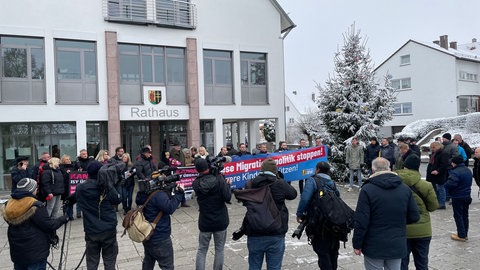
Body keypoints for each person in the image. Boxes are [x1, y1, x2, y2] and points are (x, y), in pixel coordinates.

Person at [352, 157, 420, 270]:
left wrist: (357, 244)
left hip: (373, 244)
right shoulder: (404, 189)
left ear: (373, 170)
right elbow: (414, 216)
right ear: (389, 168)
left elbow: (361, 221)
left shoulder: (367, 189)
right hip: (397, 242)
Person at [3, 178, 68, 270]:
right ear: (31, 190)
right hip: (35, 251)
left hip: (17, 251)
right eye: (35, 187)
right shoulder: (35, 205)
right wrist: (63, 219)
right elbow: (49, 225)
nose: (37, 189)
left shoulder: (8, 204)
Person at [244, 158, 297, 270]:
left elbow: (245, 202)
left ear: (261, 169)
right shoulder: (280, 183)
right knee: (274, 267)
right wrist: (280, 179)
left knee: (254, 266)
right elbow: (293, 194)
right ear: (275, 171)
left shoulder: (250, 183)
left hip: (255, 230)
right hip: (275, 230)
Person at [76, 161, 121, 270]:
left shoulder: (81, 188)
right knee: (109, 259)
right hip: (107, 228)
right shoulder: (106, 186)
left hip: (91, 229)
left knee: (92, 260)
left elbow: (78, 200)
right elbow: (117, 200)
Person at [396, 154, 438, 270]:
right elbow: (433, 207)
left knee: (402, 264)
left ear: (404, 166)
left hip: (402, 229)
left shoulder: (395, 184)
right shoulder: (426, 185)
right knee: (422, 263)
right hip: (423, 231)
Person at [296, 161, 340, 269]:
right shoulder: (332, 183)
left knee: (322, 250)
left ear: (317, 170)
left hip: (318, 221)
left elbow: (305, 198)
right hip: (332, 221)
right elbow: (338, 198)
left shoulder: (312, 180)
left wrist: (300, 213)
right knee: (333, 251)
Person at [136, 179, 185, 269]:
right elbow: (170, 208)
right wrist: (179, 193)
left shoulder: (143, 194)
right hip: (160, 237)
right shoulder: (158, 195)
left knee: (148, 262)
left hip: (147, 234)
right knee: (167, 266)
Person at [192, 158, 232, 270]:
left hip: (205, 220)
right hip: (220, 220)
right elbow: (227, 197)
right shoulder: (219, 180)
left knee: (202, 249)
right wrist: (227, 185)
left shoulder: (196, 183)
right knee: (219, 249)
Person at [445, 156, 472, 242]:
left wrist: (447, 188)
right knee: (465, 215)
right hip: (467, 195)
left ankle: (461, 235)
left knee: (458, 215)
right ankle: (465, 233)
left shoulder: (455, 172)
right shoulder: (468, 170)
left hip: (458, 196)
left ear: (454, 163)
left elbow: (451, 184)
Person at [426, 141, 450, 209]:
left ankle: (441, 203)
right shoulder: (434, 154)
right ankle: (437, 202)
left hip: (439, 175)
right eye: (431, 147)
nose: (432, 149)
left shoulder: (443, 154)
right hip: (432, 174)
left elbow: (444, 164)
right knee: (435, 189)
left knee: (440, 189)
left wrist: (438, 171)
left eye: (433, 147)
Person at [75, 149, 93, 218]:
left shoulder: (90, 160)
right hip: (80, 181)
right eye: (83, 154)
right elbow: (73, 171)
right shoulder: (77, 162)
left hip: (89, 180)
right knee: (79, 196)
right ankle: (78, 212)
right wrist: (77, 170)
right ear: (80, 155)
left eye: (86, 154)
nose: (85, 155)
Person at [60, 154, 76, 220]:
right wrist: (66, 173)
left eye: (69, 159)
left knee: (71, 201)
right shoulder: (61, 168)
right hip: (65, 186)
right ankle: (65, 215)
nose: (69, 160)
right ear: (63, 160)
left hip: (72, 186)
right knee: (65, 201)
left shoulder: (73, 167)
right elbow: (61, 178)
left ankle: (71, 215)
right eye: (67, 159)